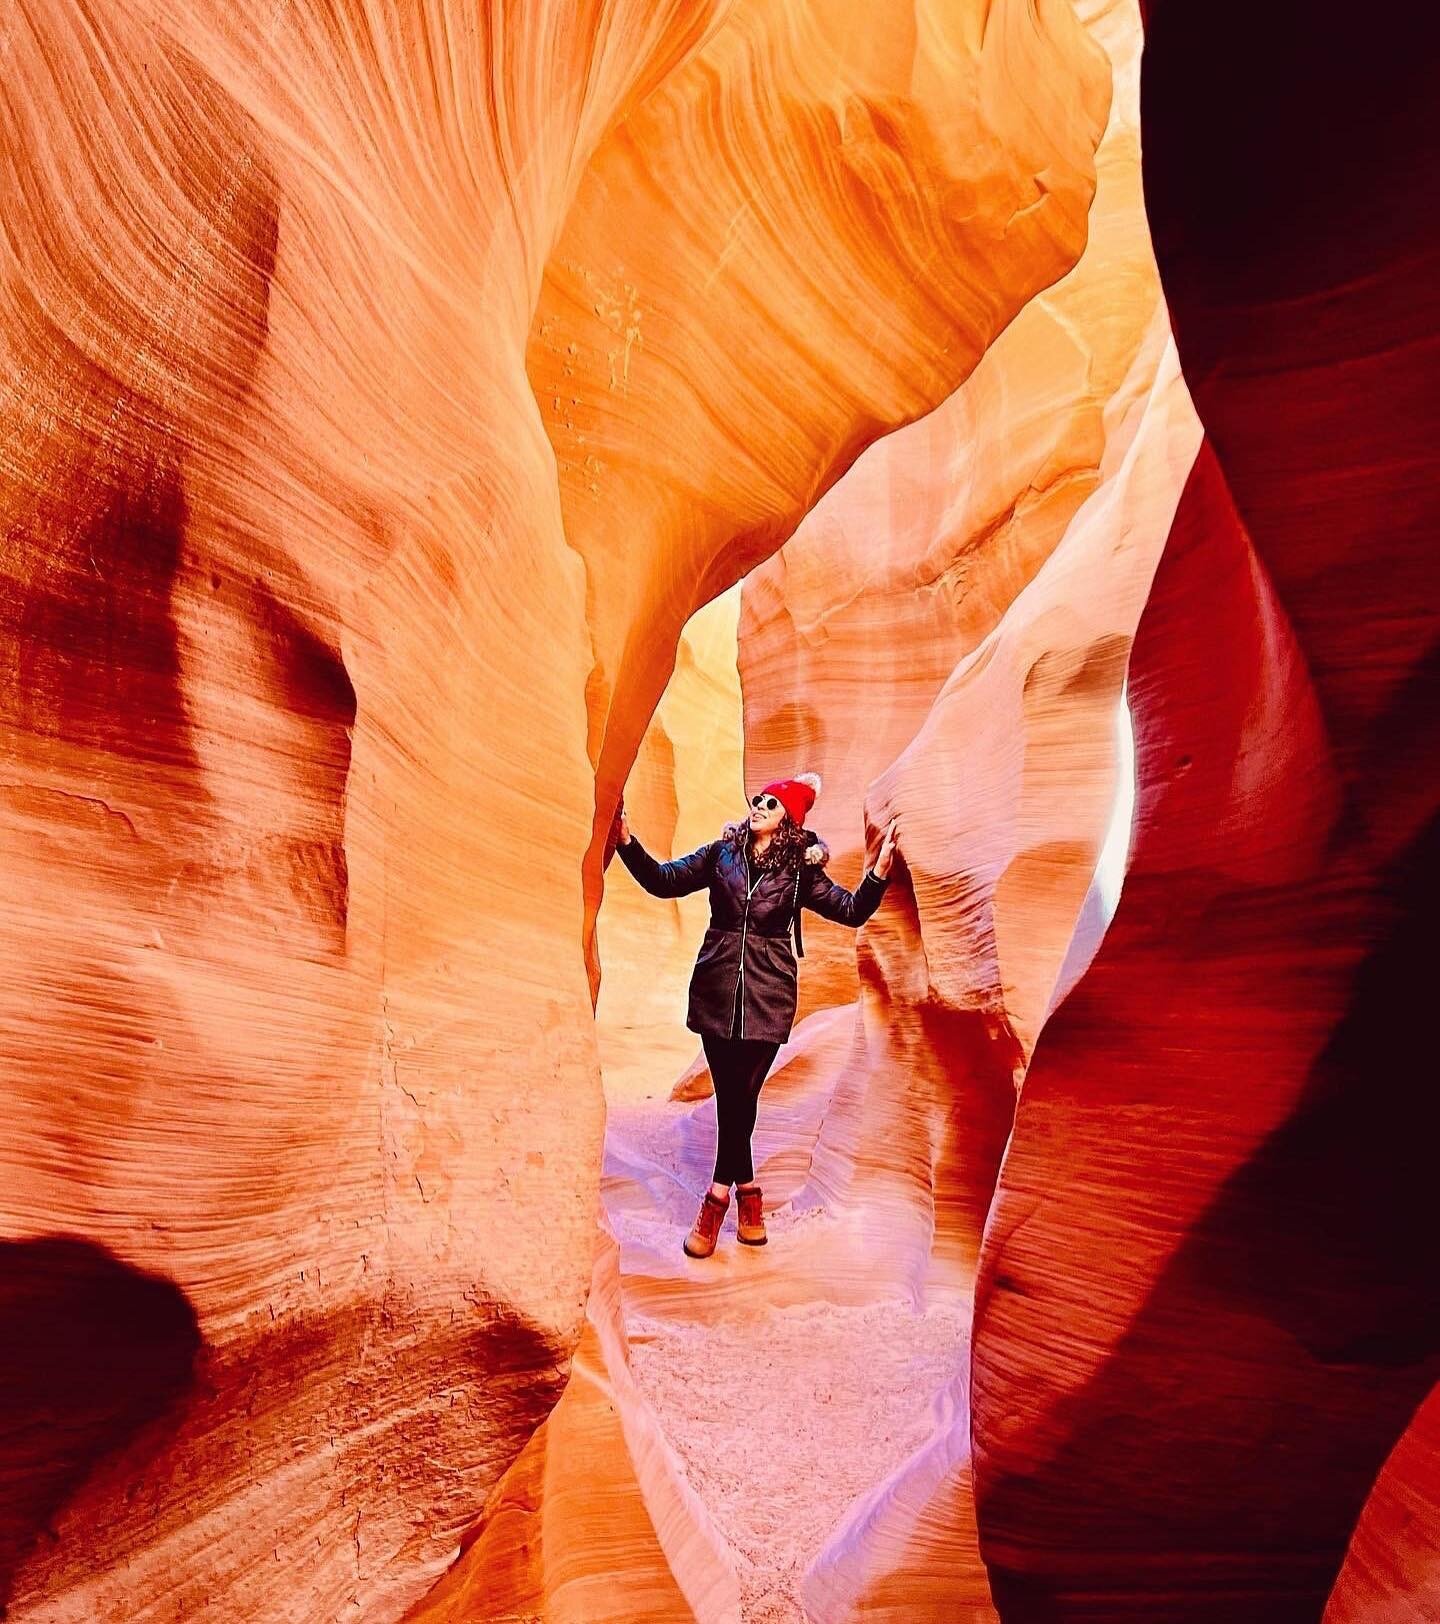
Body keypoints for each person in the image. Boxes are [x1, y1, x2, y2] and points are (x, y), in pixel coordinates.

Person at [612, 771, 899, 1258]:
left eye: (773, 802)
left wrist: (878, 873)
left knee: (742, 1097)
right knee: (733, 1100)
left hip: (769, 993)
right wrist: (625, 842)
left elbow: (850, 911)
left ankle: (716, 1199)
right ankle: (746, 1198)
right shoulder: (720, 853)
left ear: (790, 818)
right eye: (759, 798)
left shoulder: (800, 872)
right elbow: (663, 882)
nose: (761, 805)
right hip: (717, 987)